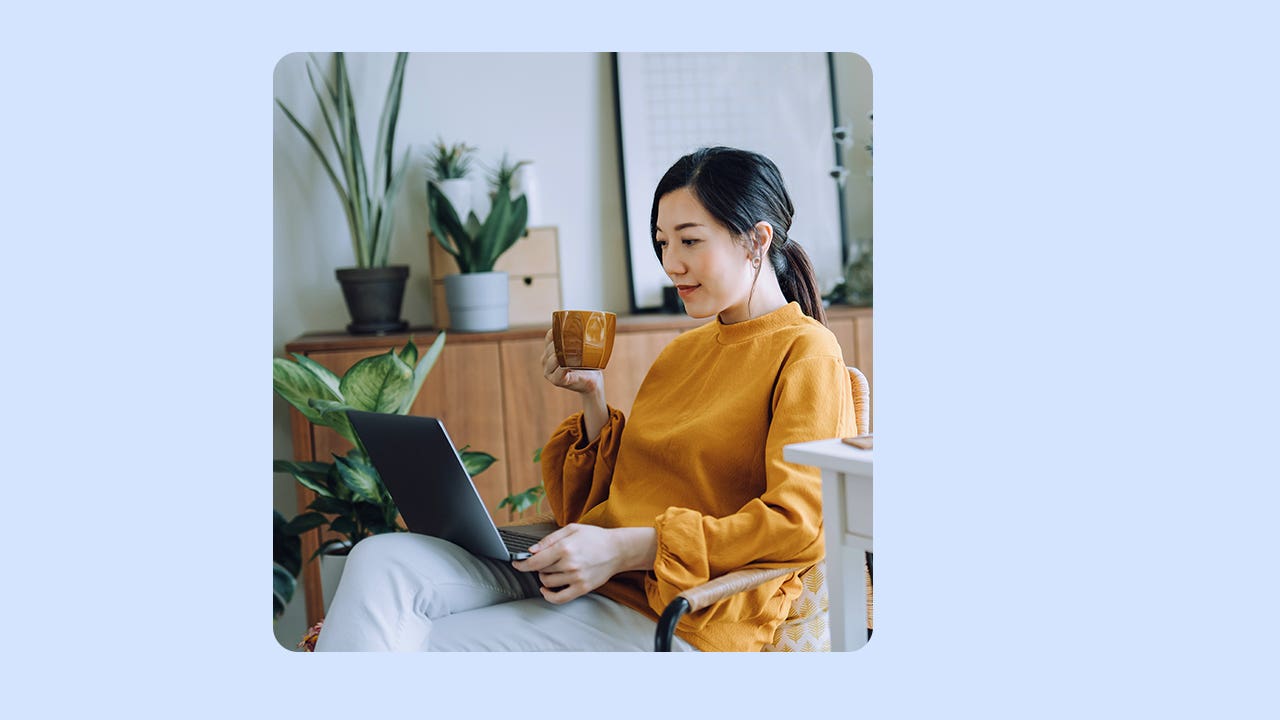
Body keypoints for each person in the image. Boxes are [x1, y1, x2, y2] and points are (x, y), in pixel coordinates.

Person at [315, 146, 855, 652]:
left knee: (417, 644)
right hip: (594, 577)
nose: (672, 264)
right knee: (379, 558)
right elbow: (620, 493)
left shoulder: (807, 352)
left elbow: (800, 523)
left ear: (757, 240)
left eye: (690, 241)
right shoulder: (683, 352)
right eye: (663, 243)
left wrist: (627, 549)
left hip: (679, 613)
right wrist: (592, 400)